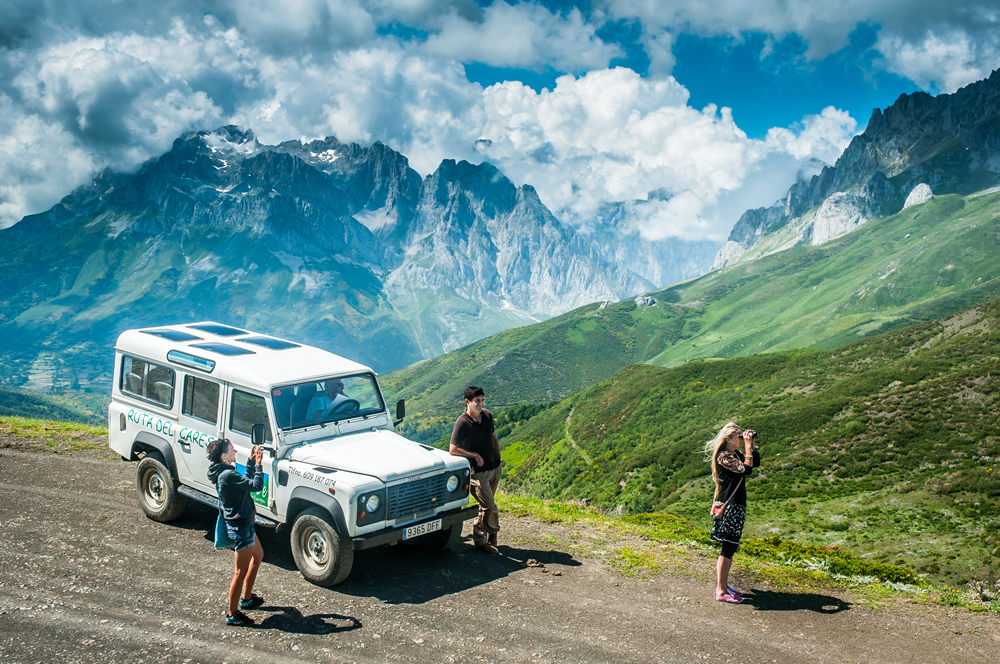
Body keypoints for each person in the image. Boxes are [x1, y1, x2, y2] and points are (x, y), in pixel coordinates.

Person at [207, 438, 266, 626]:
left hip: (244, 524)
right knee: (239, 572)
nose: (235, 452)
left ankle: (247, 599)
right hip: (241, 528)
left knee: (258, 556)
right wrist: (258, 464)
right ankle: (232, 614)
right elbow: (255, 485)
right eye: (232, 450)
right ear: (224, 456)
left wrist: (249, 462)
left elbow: (245, 482)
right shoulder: (227, 475)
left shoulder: (225, 472)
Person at [705, 422, 759, 604]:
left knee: (731, 547)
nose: (740, 437)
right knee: (728, 547)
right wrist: (748, 449)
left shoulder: (734, 453)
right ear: (728, 439)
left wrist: (750, 446)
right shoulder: (724, 457)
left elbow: (755, 462)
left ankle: (724, 585)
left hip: (737, 505)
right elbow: (746, 469)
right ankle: (720, 590)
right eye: (738, 435)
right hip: (730, 507)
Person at [449, 386, 502, 554]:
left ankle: (479, 540)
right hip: (477, 473)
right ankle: (493, 534)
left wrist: (498, 459)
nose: (480, 404)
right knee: (489, 506)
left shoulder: (486, 416)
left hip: (494, 467)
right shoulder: (462, 422)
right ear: (467, 402)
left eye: (482, 400)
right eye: (477, 401)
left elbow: (493, 437)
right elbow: (453, 449)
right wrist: (474, 455)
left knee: (485, 506)